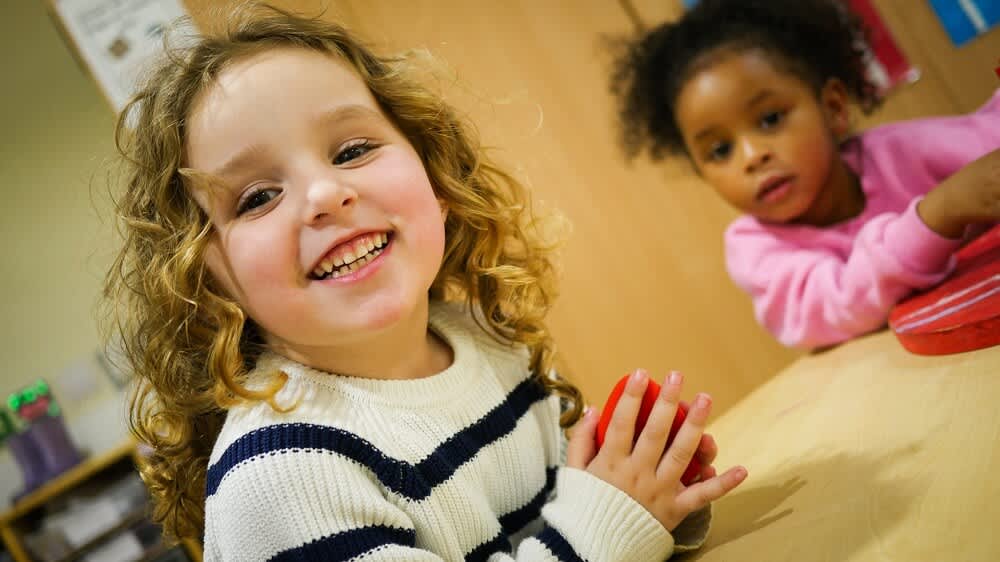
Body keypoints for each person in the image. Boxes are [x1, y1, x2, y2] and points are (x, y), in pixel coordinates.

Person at [103, 4, 747, 560]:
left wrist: (651, 498)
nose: (327, 194)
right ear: (205, 279)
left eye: (352, 151)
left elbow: (566, 529)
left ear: (436, 180)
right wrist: (611, 520)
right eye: (258, 197)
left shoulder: (483, 340)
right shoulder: (277, 476)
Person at [610, 0, 1000, 348]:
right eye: (720, 150)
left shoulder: (905, 150)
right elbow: (839, 302)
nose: (752, 156)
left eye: (769, 119)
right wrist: (939, 215)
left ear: (832, 108)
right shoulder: (756, 250)